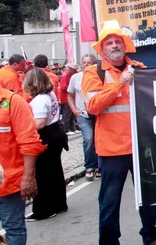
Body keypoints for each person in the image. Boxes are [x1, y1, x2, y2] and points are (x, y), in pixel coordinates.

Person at [82, 20, 156, 245]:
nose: (114, 45)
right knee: (110, 201)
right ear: (102, 50)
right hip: (112, 149)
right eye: (109, 43)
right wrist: (119, 84)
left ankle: (150, 237)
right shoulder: (94, 74)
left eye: (117, 41)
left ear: (125, 45)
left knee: (148, 197)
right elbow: (92, 106)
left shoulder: (139, 69)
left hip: (141, 147)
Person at [0, 87, 46, 245]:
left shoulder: (13, 102)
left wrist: (28, 177)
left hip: (9, 184)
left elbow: (29, 143)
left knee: (13, 228)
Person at [22, 68, 68, 221]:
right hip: (55, 132)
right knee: (54, 171)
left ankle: (44, 209)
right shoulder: (50, 94)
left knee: (42, 174)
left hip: (46, 135)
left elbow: (40, 123)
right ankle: (59, 204)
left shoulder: (39, 100)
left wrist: (23, 128)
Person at [68, 54, 99, 181]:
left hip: (97, 113)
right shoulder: (75, 78)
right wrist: (74, 110)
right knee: (89, 138)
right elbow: (69, 95)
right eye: (84, 62)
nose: (86, 65)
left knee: (98, 139)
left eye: (89, 63)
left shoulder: (99, 76)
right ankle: (89, 167)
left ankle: (98, 166)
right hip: (82, 114)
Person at [60, 63, 79, 134]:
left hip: (71, 97)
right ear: (70, 69)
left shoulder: (70, 76)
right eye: (74, 70)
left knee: (72, 114)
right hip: (66, 98)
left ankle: (72, 128)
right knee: (67, 114)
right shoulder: (65, 76)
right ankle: (66, 129)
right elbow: (63, 87)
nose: (75, 71)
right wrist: (72, 87)